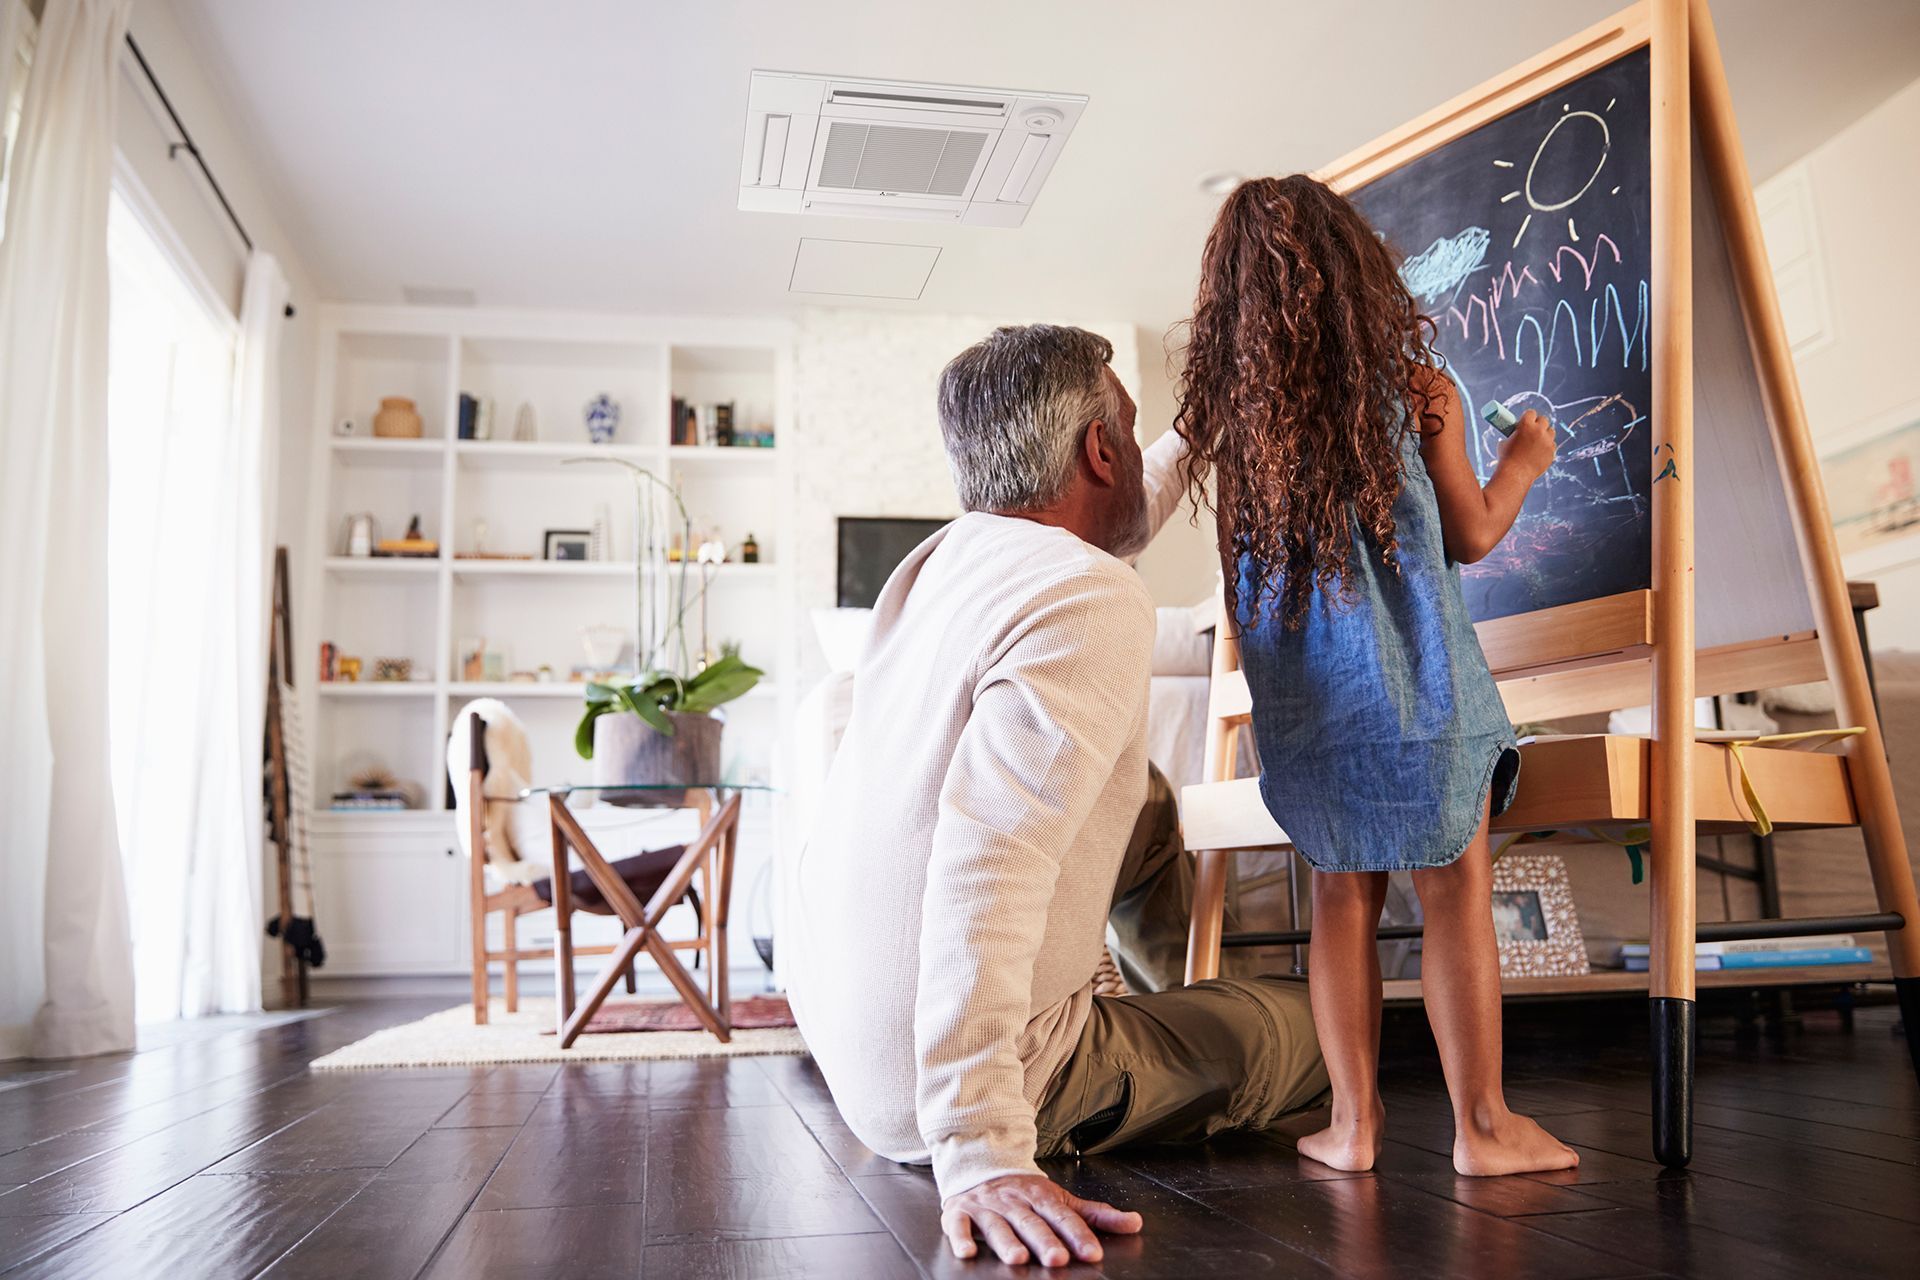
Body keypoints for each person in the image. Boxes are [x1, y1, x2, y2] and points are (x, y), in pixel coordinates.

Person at [784, 324, 1328, 1269]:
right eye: (1125, 421)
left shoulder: (935, 572)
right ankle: (1130, 1043)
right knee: (1327, 1033)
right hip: (975, 1086)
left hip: (858, 1049)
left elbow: (1123, 507)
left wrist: (1201, 421)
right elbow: (986, 860)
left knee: (1148, 805)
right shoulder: (1087, 594)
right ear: (1098, 450)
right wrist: (981, 1150)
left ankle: (1168, 1005)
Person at [1173, 174, 1577, 1177]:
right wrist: (1525, 457)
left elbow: (1242, 591)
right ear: (1359, 272)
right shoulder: (1421, 390)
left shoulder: (1248, 441)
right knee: (1456, 888)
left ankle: (1353, 1127)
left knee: (1341, 898)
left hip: (1314, 713)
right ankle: (1483, 1129)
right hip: (1428, 696)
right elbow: (1475, 532)